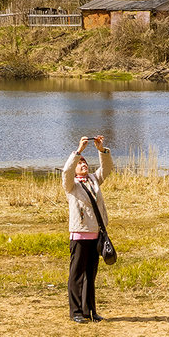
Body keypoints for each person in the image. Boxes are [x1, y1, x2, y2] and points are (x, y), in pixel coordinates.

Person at [62, 134, 113, 323]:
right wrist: (78, 151)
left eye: (85, 162)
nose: (84, 164)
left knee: (90, 275)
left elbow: (107, 169)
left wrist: (101, 150)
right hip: (79, 235)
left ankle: (90, 311)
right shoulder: (71, 185)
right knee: (76, 275)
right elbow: (66, 171)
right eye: (80, 163)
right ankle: (76, 312)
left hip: (96, 235)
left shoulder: (93, 180)